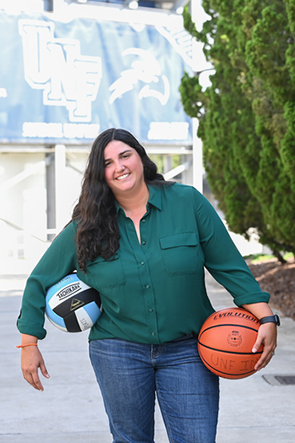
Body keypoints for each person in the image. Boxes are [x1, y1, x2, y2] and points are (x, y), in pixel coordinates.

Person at [17, 128, 278, 443]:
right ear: (100, 174)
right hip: (118, 350)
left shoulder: (187, 202)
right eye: (108, 163)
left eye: (125, 155)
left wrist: (265, 316)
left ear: (140, 157)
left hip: (189, 349)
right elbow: (38, 282)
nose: (119, 167)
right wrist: (29, 343)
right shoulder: (86, 227)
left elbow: (229, 265)